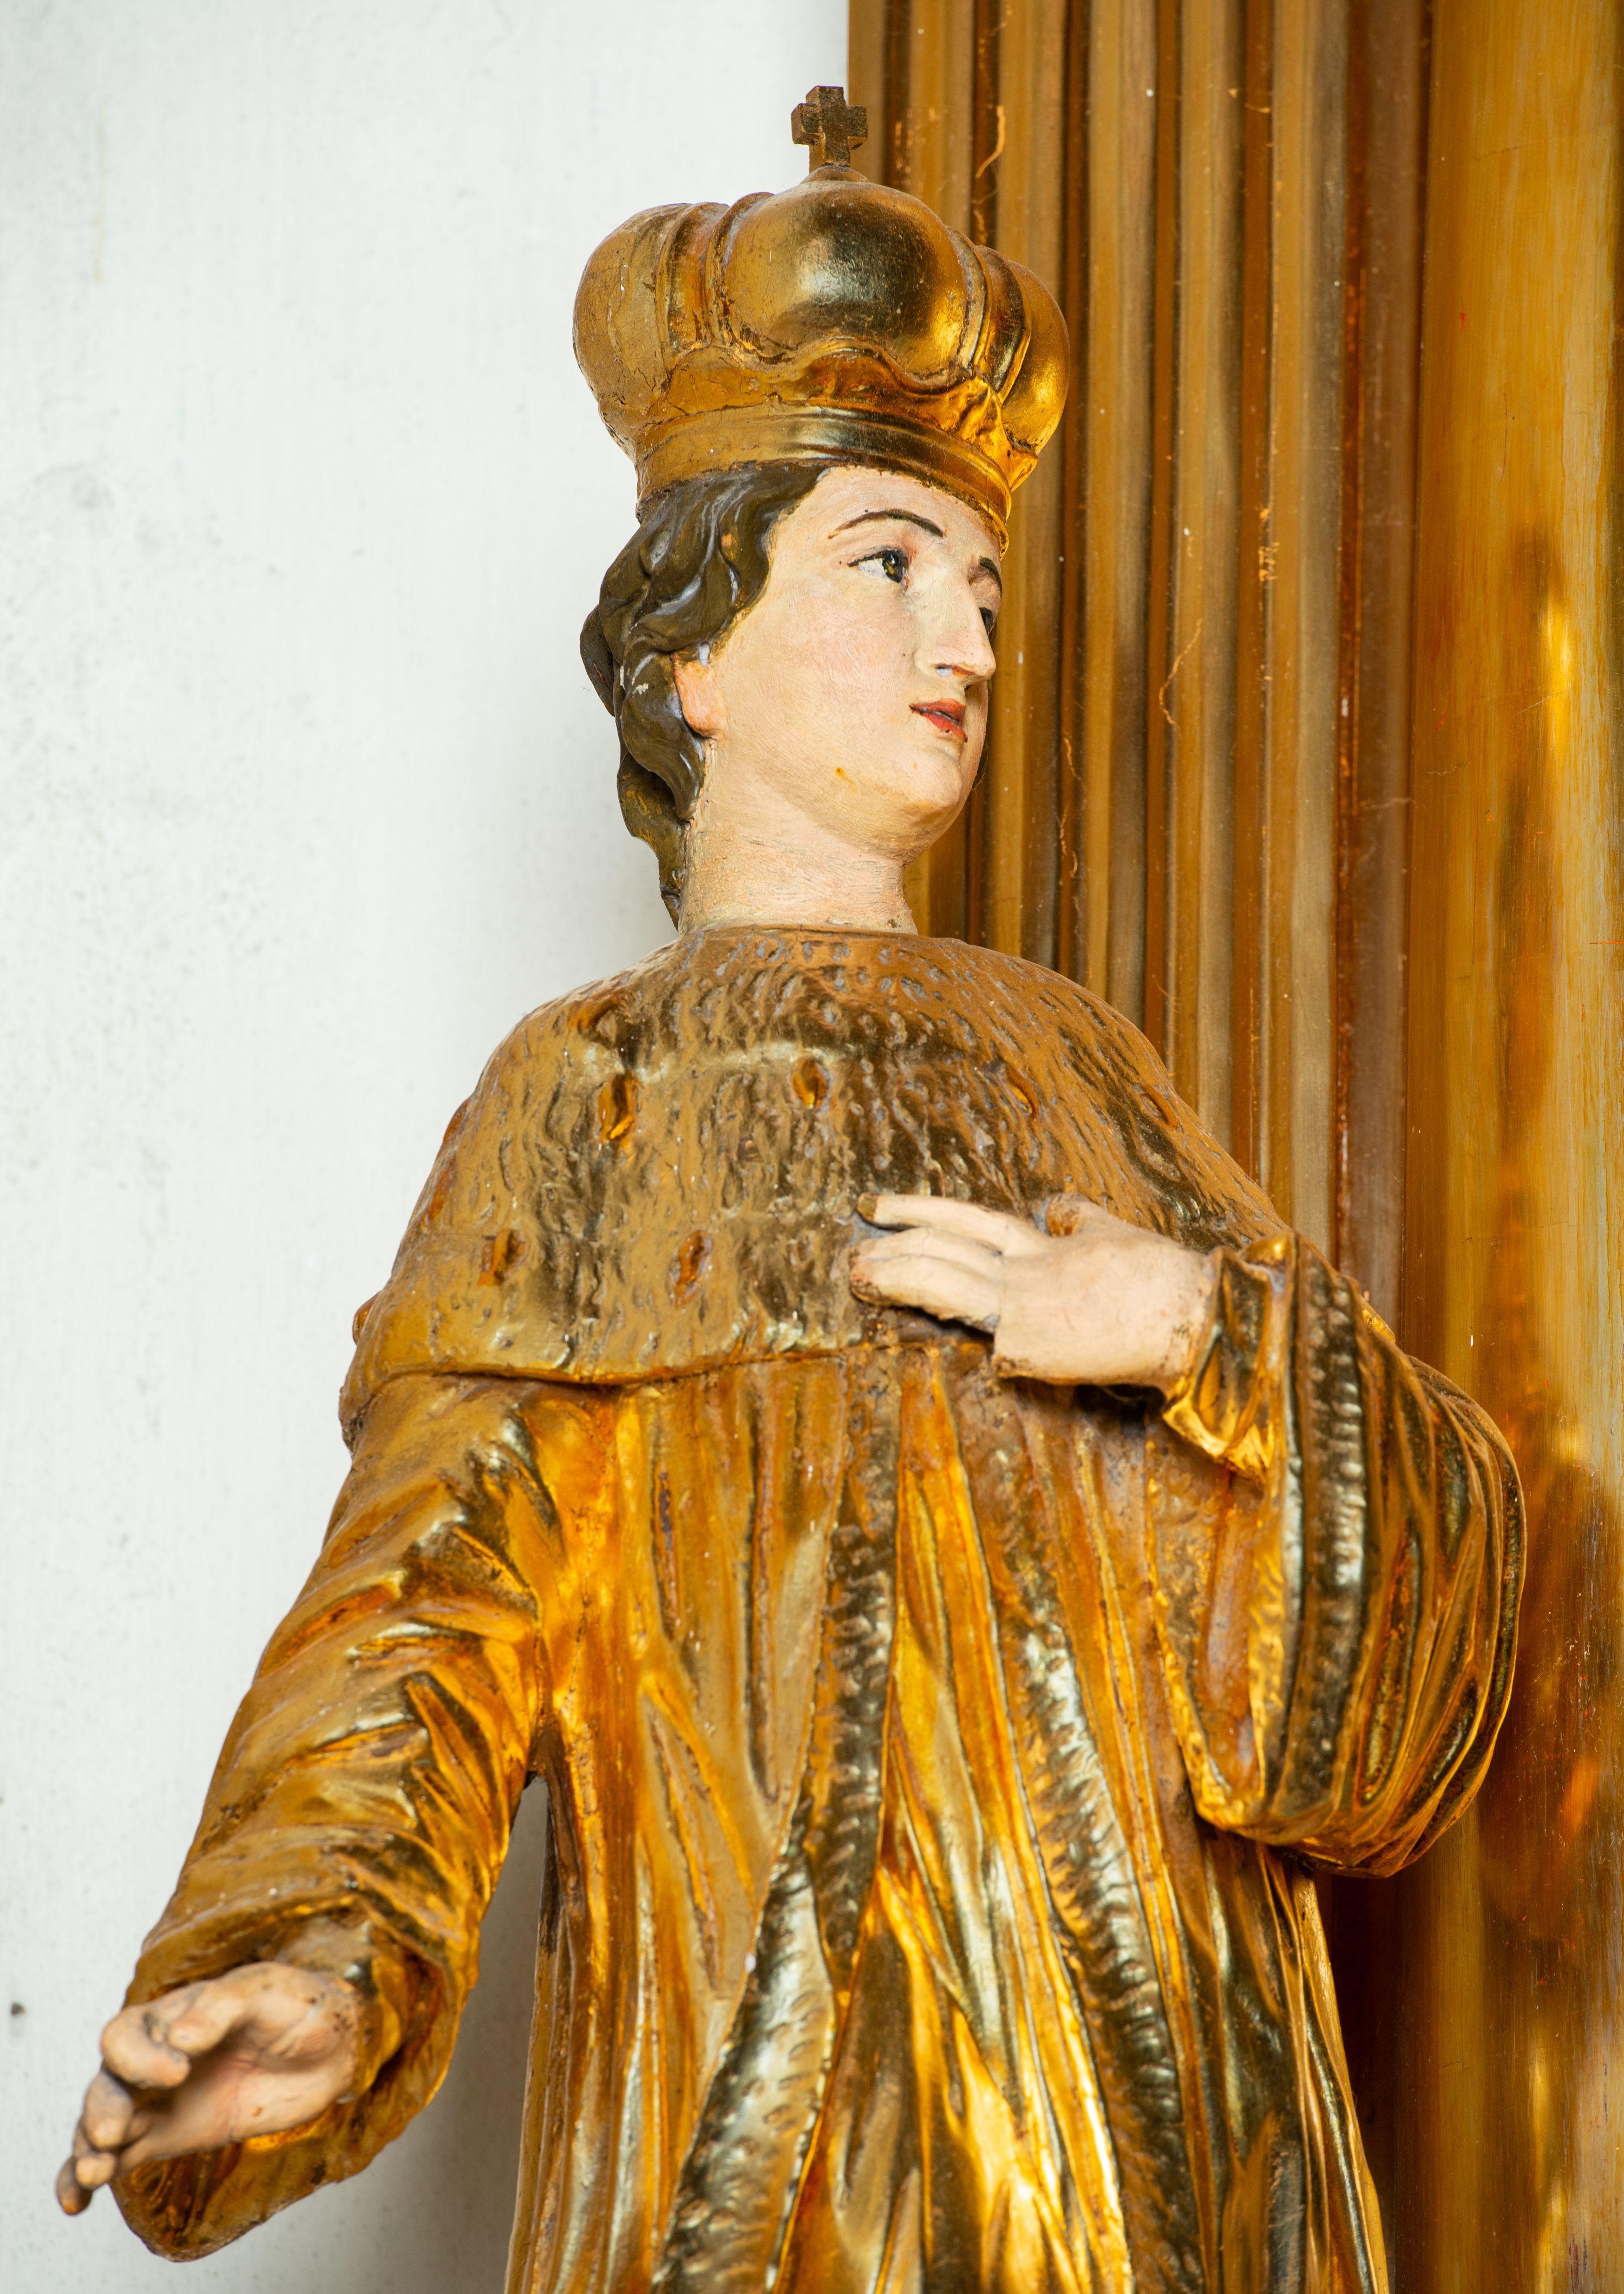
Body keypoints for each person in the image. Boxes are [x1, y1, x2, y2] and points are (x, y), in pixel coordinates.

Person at [60, 97, 1522, 2294]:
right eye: (889, 565)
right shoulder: (588, 1094)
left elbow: (1409, 1628)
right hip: (774, 2130)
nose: (971, 643)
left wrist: (1206, 1334)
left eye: (986, 585)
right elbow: (428, 1607)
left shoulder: (1085, 1068)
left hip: (1163, 2147)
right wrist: (312, 1958)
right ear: (693, 656)